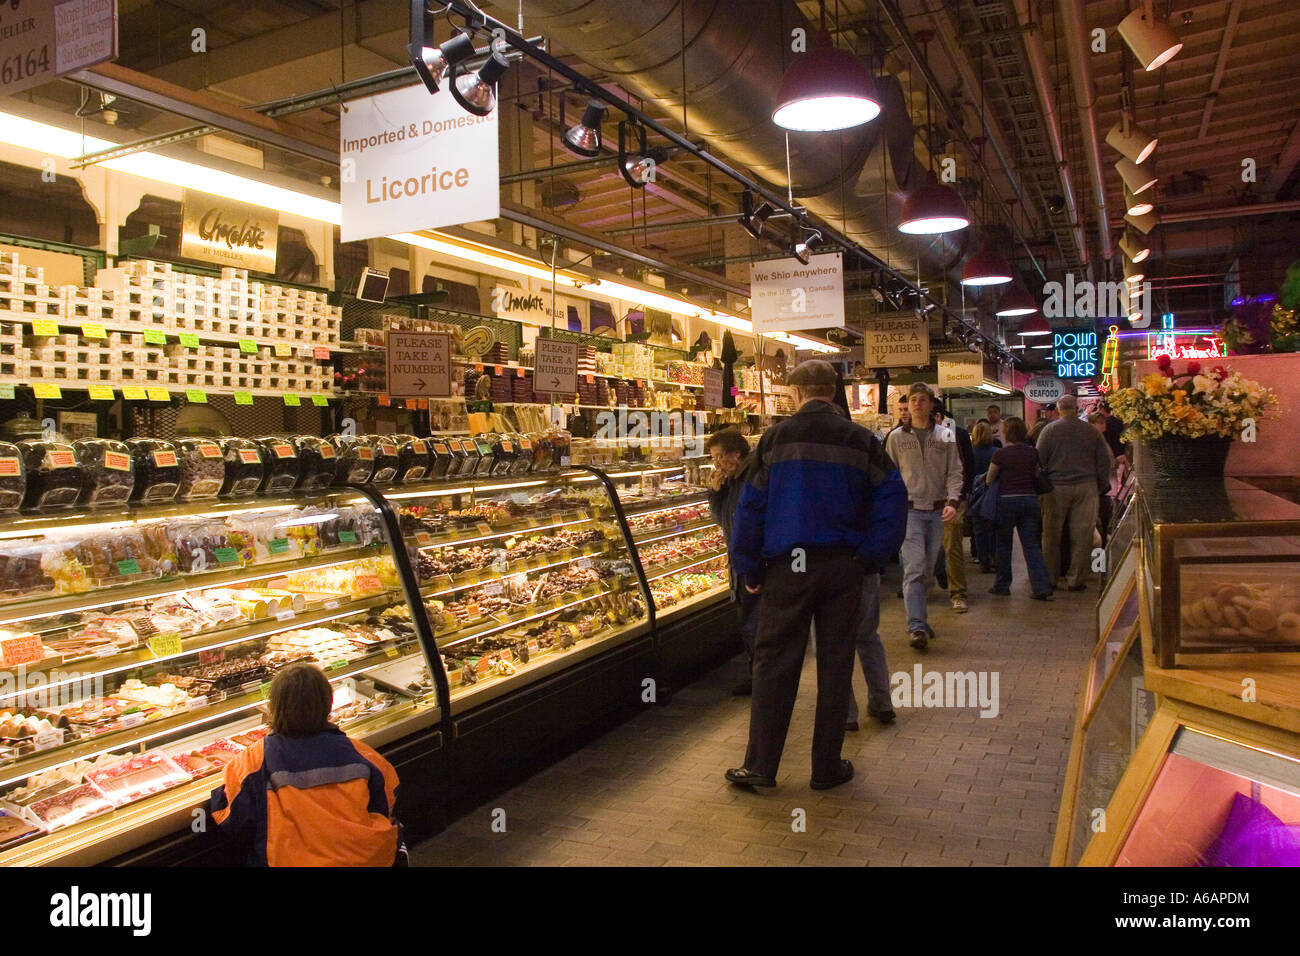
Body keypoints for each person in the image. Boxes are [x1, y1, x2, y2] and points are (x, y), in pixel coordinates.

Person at [726, 359, 906, 791]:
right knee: (835, 661)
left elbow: (749, 510)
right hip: (843, 566)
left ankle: (761, 767)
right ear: (835, 390)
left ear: (796, 394)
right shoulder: (862, 440)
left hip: (789, 567)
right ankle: (826, 767)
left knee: (774, 663)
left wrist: (748, 567)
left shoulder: (774, 439)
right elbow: (894, 500)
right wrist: (870, 557)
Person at [211, 663, 403, 866]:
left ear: (273, 708)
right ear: (328, 705)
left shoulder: (253, 759)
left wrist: (217, 796)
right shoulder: (363, 755)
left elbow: (235, 822)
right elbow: (388, 801)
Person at [885, 383, 963, 650]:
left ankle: (921, 619)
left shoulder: (945, 436)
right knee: (915, 567)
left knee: (928, 568)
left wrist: (953, 501)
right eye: (913, 400)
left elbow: (954, 471)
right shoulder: (896, 438)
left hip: (937, 510)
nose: (917, 404)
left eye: (922, 400)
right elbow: (889, 476)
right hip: (909, 512)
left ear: (931, 405)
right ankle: (916, 626)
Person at [1037, 395, 1114, 592]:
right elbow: (1105, 460)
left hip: (1055, 488)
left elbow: (1039, 460)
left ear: (1059, 409)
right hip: (1086, 487)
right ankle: (1076, 579)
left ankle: (1051, 578)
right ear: (1076, 408)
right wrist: (1100, 485)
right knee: (1083, 535)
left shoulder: (1049, 430)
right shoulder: (1091, 431)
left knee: (1051, 535)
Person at [706, 428, 757, 696]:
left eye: (719, 456)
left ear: (736, 454)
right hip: (740, 563)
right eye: (713, 458)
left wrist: (753, 570)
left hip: (750, 566)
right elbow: (722, 519)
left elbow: (749, 526)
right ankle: (758, 676)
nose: (717, 464)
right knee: (748, 623)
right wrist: (715, 491)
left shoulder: (751, 479)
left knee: (754, 625)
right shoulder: (732, 479)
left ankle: (762, 680)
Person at [985, 417, 1053, 600]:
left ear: (1006, 433)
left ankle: (1002, 585)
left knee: (1004, 545)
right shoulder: (1032, 452)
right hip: (1030, 500)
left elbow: (989, 479)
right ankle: (1041, 587)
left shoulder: (1000, 454)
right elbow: (1038, 474)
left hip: (1006, 501)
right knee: (1031, 546)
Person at [933, 399, 974, 614]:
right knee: (934, 549)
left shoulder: (953, 434)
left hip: (952, 500)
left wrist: (961, 496)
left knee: (952, 547)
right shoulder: (907, 435)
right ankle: (942, 579)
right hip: (926, 502)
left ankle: (957, 592)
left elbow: (966, 465)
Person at [970, 421, 999, 572]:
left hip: (974, 494)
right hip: (992, 493)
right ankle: (994, 556)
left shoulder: (970, 452)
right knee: (993, 528)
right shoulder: (996, 452)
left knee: (978, 530)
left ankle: (982, 560)